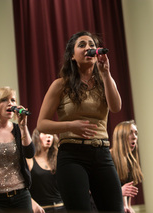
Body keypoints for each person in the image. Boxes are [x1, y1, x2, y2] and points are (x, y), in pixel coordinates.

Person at [37, 31, 124, 213]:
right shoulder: (60, 85)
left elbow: (116, 107)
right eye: (82, 45)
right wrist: (70, 125)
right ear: (72, 55)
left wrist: (106, 75)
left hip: (101, 152)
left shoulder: (105, 80)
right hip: (72, 154)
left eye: (92, 45)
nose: (89, 48)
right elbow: (42, 124)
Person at [27, 129, 66, 213]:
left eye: (51, 134)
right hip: (41, 209)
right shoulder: (30, 160)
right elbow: (23, 187)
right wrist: (32, 203)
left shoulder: (58, 159)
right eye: (44, 133)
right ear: (37, 137)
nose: (48, 136)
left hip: (61, 207)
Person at [110, 120, 143, 213]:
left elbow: (127, 201)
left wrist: (128, 208)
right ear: (120, 136)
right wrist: (119, 191)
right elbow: (94, 191)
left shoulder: (131, 161)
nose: (134, 137)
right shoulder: (107, 157)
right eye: (130, 133)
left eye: (136, 133)